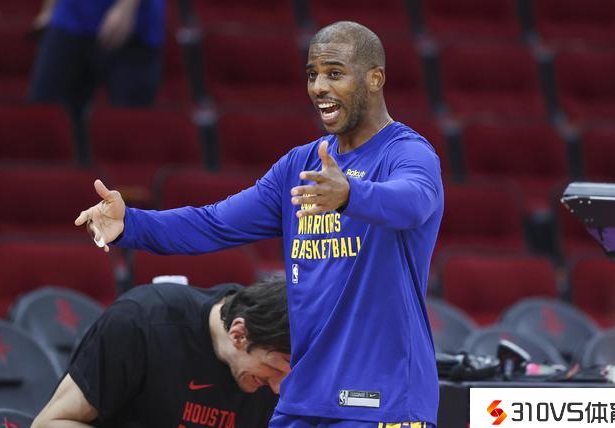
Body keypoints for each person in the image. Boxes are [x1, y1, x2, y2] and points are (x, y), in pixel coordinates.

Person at [75, 21, 444, 427]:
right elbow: (214, 223)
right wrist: (131, 224)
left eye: (334, 73)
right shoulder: (299, 165)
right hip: (306, 396)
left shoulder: (407, 153)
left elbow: (413, 201)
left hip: (383, 398)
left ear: (375, 79)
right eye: (312, 75)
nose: (319, 87)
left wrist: (350, 195)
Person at [32, 280, 291, 427]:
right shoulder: (140, 322)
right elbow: (48, 423)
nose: (279, 388)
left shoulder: (285, 369)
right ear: (239, 334)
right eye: (274, 368)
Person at [28, 0, 165, 111]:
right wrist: (48, 10)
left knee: (129, 121)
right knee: (43, 110)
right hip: (69, 19)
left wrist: (126, 7)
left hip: (132, 28)